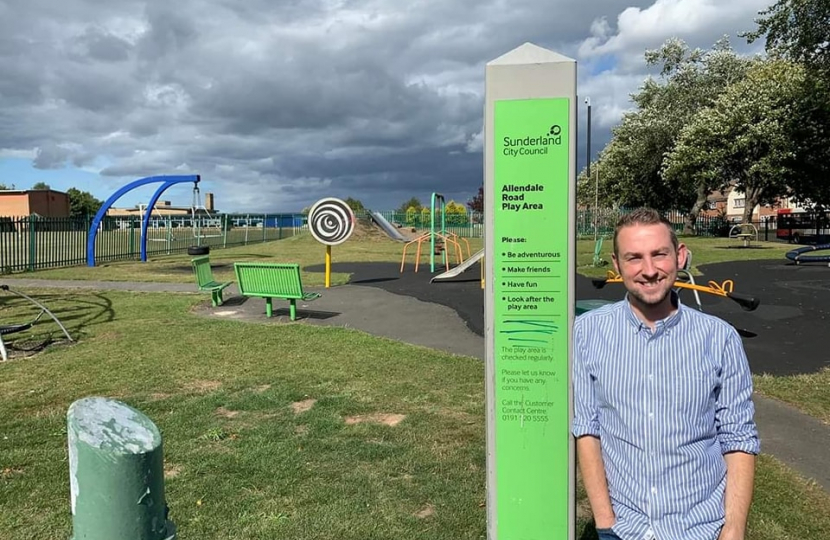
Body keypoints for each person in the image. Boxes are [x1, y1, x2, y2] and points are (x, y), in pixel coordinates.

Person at [572, 207, 760, 540]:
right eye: (634, 258)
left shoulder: (719, 339)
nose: (649, 270)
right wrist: (604, 522)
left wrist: (733, 530)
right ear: (616, 265)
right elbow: (587, 429)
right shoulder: (588, 332)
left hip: (699, 528)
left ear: (680, 255)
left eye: (659, 254)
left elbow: (738, 439)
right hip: (624, 528)